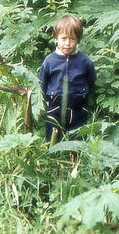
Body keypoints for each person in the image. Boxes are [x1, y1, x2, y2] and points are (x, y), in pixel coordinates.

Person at [38, 14, 96, 142]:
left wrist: (86, 101)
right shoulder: (49, 61)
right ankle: (53, 157)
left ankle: (75, 158)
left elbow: (91, 82)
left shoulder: (85, 62)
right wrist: (46, 103)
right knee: (52, 138)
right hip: (55, 108)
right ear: (55, 38)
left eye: (72, 39)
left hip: (78, 108)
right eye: (63, 38)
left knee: (78, 138)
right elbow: (42, 83)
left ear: (78, 40)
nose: (68, 43)